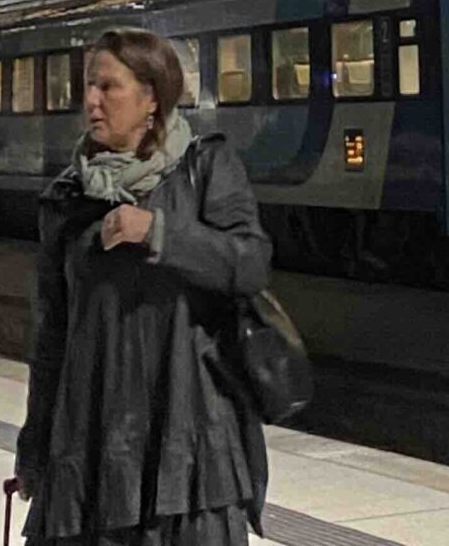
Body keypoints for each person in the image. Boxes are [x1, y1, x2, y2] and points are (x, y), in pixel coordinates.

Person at [15, 28, 272, 546]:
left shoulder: (205, 168)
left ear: (152, 96)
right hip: (90, 448)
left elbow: (249, 264)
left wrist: (157, 232)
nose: (91, 101)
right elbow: (52, 335)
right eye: (89, 86)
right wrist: (35, 442)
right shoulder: (68, 198)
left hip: (187, 445)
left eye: (108, 87)